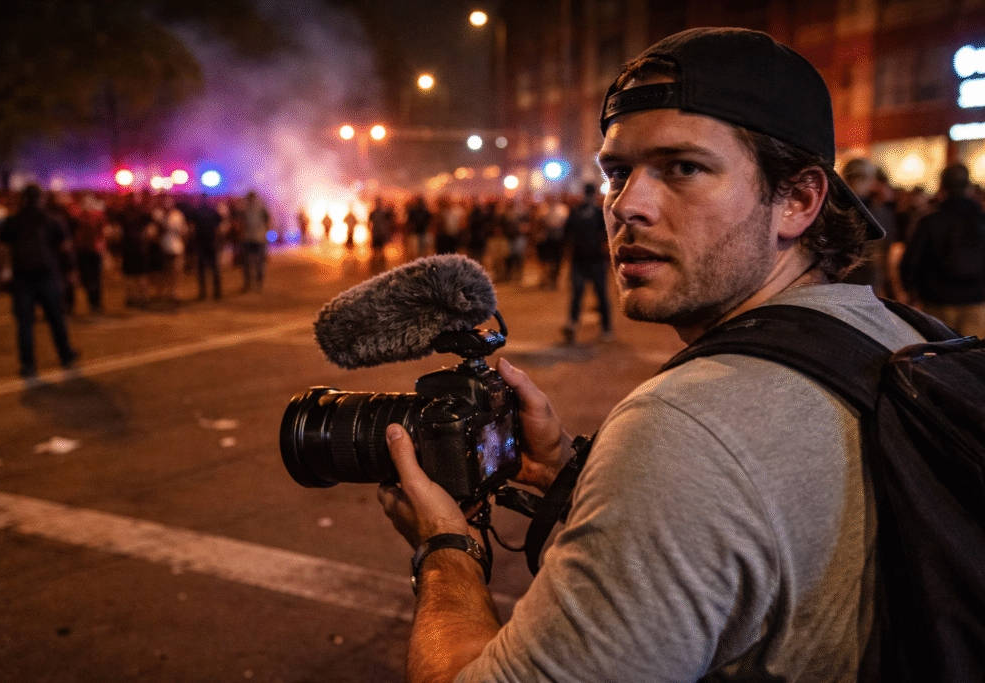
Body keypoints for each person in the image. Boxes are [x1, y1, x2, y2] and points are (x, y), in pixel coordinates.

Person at [375, 27, 924, 682]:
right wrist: (570, 478)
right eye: (617, 172)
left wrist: (446, 549)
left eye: (684, 167)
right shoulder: (902, 337)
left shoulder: (686, 429)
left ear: (799, 200)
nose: (626, 205)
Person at [0, 184, 79, 379]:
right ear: (41, 199)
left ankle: (28, 364)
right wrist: (72, 270)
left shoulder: (13, 221)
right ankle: (65, 354)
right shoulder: (52, 220)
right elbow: (66, 247)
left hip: (22, 277)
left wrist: (4, 270)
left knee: (25, 323)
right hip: (47, 275)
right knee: (56, 318)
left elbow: (2, 247)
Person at [899, 163, 985, 338]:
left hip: (936, 300)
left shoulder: (930, 220)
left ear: (942, 186)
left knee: (938, 356)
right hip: (976, 300)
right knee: (972, 358)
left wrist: (909, 288)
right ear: (968, 187)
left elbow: (912, 259)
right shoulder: (981, 220)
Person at [561, 183, 613, 342]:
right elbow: (609, 234)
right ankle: (605, 328)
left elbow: (566, 234)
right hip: (592, 259)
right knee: (597, 294)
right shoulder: (597, 212)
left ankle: (576, 324)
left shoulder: (579, 211)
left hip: (584, 258)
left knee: (582, 294)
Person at [239, 190, 270, 292]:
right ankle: (249, 283)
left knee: (259, 263)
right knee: (248, 263)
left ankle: (258, 283)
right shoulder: (245, 209)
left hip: (258, 238)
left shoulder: (260, 208)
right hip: (249, 238)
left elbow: (268, 221)